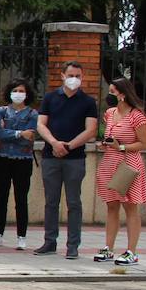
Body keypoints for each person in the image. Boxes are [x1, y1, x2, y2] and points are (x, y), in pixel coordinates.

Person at [34, 62, 99, 259]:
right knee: (51, 202)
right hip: (50, 156)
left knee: (74, 203)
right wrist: (55, 143)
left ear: (82, 77)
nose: (74, 79)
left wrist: (68, 146)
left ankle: (72, 245)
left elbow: (90, 130)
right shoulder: (50, 98)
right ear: (62, 76)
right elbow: (41, 124)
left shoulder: (88, 102)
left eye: (78, 75)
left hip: (75, 159)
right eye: (70, 75)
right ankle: (49, 242)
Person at [93, 78, 146, 266]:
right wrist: (105, 144)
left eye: (112, 91)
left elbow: (144, 144)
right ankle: (108, 248)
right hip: (109, 162)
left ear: (123, 94)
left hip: (127, 164)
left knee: (130, 206)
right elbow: (110, 137)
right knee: (111, 205)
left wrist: (122, 147)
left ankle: (131, 251)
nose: (109, 95)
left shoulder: (137, 116)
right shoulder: (109, 113)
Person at [0, 78, 38, 249]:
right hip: (2, 158)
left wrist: (12, 133)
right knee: (1, 197)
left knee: (21, 198)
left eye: (21, 91)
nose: (18, 94)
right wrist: (19, 133)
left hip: (23, 160)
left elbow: (30, 137)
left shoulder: (32, 114)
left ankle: (21, 236)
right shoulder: (1, 111)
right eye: (15, 90)